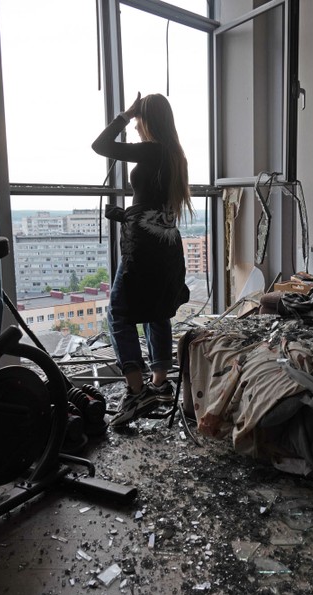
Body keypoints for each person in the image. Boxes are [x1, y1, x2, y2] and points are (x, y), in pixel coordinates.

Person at [92, 92, 193, 426]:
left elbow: (101, 145)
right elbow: (154, 208)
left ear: (149, 118)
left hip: (143, 250)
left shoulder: (152, 150)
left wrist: (124, 114)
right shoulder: (174, 154)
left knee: (119, 313)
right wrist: (124, 216)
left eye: (138, 119)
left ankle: (137, 394)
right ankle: (159, 383)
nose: (135, 126)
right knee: (156, 310)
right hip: (165, 245)